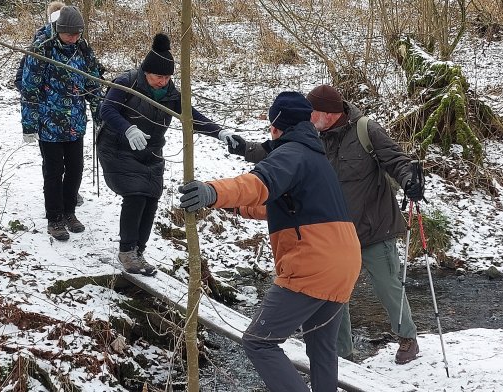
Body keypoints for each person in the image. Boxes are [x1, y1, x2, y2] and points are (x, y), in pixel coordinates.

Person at [223, 85, 425, 365]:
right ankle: (343, 355)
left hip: (373, 229)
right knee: (333, 296)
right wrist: (245, 148)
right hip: (334, 236)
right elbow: (280, 154)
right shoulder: (311, 136)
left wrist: (409, 181)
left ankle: (407, 339)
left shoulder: (366, 130)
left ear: (328, 114)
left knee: (388, 288)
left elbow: (396, 160)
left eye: (312, 111)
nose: (307, 115)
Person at [178, 91, 361, 391]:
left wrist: (212, 191)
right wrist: (227, 204)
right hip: (344, 263)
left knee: (259, 342)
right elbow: (278, 204)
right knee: (321, 348)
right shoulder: (315, 157)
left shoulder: (291, 154)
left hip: (314, 264)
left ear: (277, 125)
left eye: (270, 124)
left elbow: (257, 184)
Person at [97, 33, 224, 275]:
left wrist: (218, 132)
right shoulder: (128, 82)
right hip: (117, 147)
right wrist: (128, 128)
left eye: (167, 77)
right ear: (146, 72)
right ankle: (126, 251)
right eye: (158, 76)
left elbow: (190, 115)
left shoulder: (171, 93)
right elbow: (107, 109)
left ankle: (138, 252)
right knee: (135, 194)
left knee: (151, 198)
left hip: (151, 152)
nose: (163, 81)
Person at [19, 5, 104, 241]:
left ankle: (70, 213)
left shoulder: (83, 49)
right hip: (49, 123)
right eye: (69, 34)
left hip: (75, 122)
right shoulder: (42, 49)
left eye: (78, 34)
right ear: (59, 30)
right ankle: (54, 218)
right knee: (54, 171)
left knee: (76, 169)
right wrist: (29, 124)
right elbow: (29, 88)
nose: (73, 38)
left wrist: (99, 114)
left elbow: (93, 83)